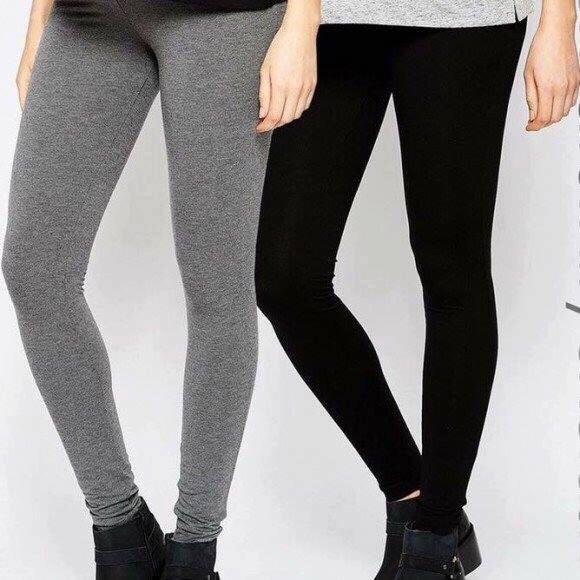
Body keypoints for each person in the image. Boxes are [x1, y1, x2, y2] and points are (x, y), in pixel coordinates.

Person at [256, 1, 579, 578]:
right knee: (285, 278)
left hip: (467, 19)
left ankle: (434, 532)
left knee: (452, 271)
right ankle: (412, 495)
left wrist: (559, 23)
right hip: (332, 17)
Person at [3, 0, 319, 578]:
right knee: (34, 268)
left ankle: (195, 549)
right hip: (86, 17)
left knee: (216, 284)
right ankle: (120, 530)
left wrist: (303, 22)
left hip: (224, 17)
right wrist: (36, 24)